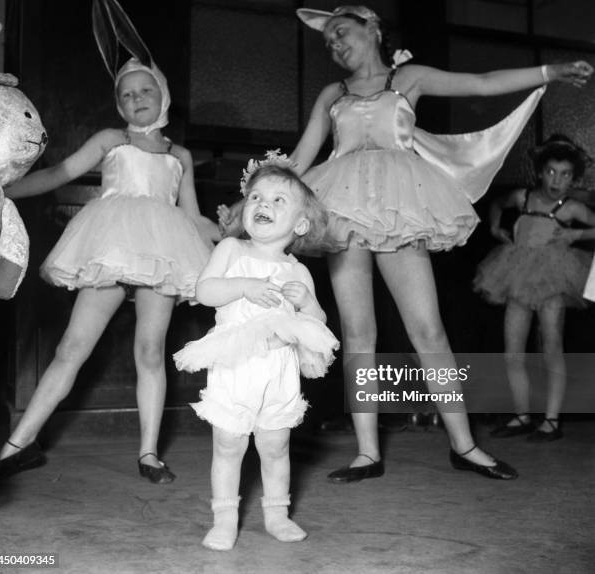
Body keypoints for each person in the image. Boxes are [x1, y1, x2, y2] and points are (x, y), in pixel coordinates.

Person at [220, 5, 592, 482]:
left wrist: (549, 71)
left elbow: (481, 83)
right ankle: (367, 453)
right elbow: (298, 159)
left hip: (401, 205)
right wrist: (245, 205)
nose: (334, 44)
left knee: (428, 330)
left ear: (372, 28)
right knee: (358, 333)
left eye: (341, 32)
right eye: (328, 41)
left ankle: (464, 444)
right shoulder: (333, 93)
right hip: (342, 209)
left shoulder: (407, 77)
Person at [0, 57, 218, 485]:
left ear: (162, 96)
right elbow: (60, 173)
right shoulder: (112, 139)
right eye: (126, 95)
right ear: (119, 106)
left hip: (163, 251)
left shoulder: (178, 155)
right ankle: (19, 444)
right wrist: (2, 187)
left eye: (145, 90)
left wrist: (236, 228)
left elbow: (194, 217)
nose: (136, 99)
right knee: (72, 347)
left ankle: (149, 454)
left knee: (150, 350)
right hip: (108, 246)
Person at [174, 156, 338, 550]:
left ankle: (277, 514)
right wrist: (244, 286)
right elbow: (204, 291)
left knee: (275, 445)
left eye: (279, 200)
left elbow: (318, 323)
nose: (264, 204)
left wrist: (309, 304)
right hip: (236, 363)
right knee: (229, 443)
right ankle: (224, 518)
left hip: (279, 368)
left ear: (300, 225)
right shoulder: (231, 249)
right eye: (256, 198)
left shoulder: (298, 271)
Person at [474, 134, 595, 441]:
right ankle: (522, 414)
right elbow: (498, 203)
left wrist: (575, 237)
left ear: (574, 178)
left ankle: (551, 421)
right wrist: (494, 225)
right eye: (551, 172)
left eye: (565, 174)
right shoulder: (523, 197)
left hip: (554, 277)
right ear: (540, 172)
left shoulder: (571, 208)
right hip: (516, 273)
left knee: (552, 345)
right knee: (513, 350)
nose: (557, 180)